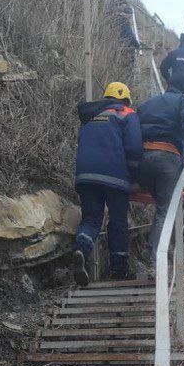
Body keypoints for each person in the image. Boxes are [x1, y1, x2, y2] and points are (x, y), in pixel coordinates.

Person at [72, 81, 142, 285]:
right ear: (125, 99)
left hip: (85, 176)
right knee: (118, 221)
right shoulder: (127, 113)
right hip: (115, 175)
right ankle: (118, 270)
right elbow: (135, 147)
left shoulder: (89, 116)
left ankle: (80, 249)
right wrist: (134, 175)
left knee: (92, 219)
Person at [136, 87, 184, 263]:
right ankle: (155, 258)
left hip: (142, 157)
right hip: (166, 156)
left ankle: (150, 250)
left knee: (156, 202)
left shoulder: (147, 103)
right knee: (165, 209)